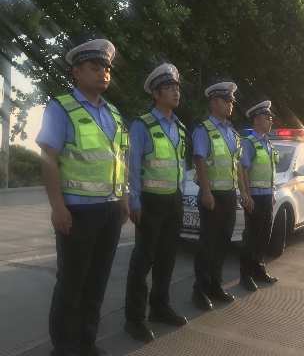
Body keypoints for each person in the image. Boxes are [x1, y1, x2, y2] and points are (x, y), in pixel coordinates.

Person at [36, 39, 130, 356]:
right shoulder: (61, 107)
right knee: (71, 283)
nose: (103, 73)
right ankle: (64, 347)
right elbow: (49, 157)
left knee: (97, 281)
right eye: (95, 67)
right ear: (77, 72)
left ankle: (87, 342)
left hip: (110, 210)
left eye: (107, 68)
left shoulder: (114, 112)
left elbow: (119, 159)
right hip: (77, 212)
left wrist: (123, 199)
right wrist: (57, 207)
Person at [125, 63, 188, 343]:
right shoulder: (143, 125)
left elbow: (180, 164)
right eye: (169, 88)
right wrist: (134, 200)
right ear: (156, 93)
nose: (176, 92)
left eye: (177, 88)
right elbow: (133, 164)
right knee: (143, 261)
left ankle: (160, 307)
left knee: (167, 258)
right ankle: (134, 319)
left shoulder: (180, 128)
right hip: (150, 202)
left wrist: (181, 194)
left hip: (173, 201)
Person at [191, 81, 251, 310]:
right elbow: (199, 161)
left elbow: (238, 165)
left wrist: (243, 192)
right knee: (208, 244)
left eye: (232, 102)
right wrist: (206, 192)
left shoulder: (232, 133)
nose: (231, 105)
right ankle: (200, 290)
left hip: (228, 195)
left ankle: (215, 286)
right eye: (227, 101)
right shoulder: (204, 129)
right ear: (214, 102)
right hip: (212, 195)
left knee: (223, 243)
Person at [240, 100, 279, 292]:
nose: (270, 120)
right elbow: (243, 170)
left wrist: (272, 192)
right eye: (267, 117)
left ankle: (258, 269)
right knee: (251, 237)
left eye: (271, 117)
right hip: (254, 197)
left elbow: (269, 170)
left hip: (266, 196)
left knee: (264, 235)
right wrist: (247, 195)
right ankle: (245, 275)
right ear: (256, 120)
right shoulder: (249, 142)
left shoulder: (267, 143)